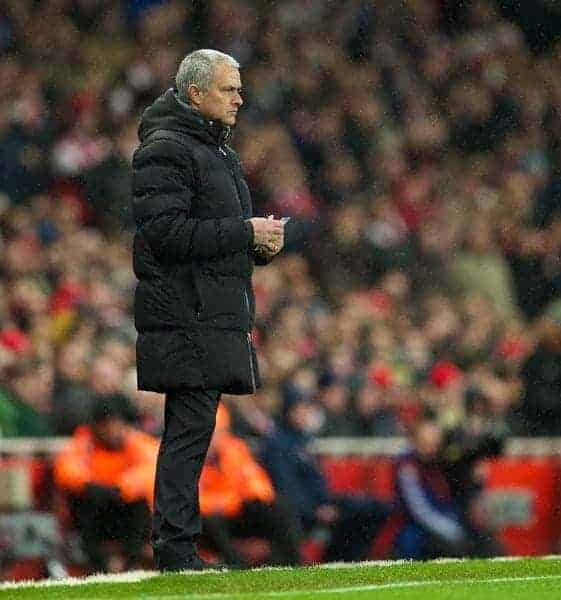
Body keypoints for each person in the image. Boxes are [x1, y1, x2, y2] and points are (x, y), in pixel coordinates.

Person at [131, 49, 285, 572]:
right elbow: (165, 234)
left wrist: (254, 247)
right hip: (187, 317)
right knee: (188, 435)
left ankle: (179, 548)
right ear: (195, 93)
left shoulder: (215, 151)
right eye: (228, 89)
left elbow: (203, 240)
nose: (240, 98)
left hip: (207, 314)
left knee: (192, 434)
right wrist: (245, 232)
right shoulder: (168, 150)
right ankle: (176, 552)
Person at [261, 393, 390, 562]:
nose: (304, 414)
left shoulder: (303, 439)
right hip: (302, 511)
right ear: (288, 412)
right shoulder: (277, 444)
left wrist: (326, 502)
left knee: (377, 508)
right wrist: (315, 511)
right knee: (353, 516)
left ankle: (347, 560)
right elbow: (285, 487)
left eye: (306, 409)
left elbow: (317, 483)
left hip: (323, 501)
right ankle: (337, 560)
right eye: (300, 409)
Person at [53, 397, 158, 573]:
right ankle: (100, 569)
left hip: (126, 510)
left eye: (116, 424)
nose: (112, 431)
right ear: (96, 426)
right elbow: (66, 469)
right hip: (95, 512)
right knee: (84, 504)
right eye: (106, 425)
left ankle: (128, 566)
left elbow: (150, 467)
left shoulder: (136, 442)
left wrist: (121, 488)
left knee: (139, 506)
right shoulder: (84, 442)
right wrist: (91, 486)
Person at [199, 405, 301, 568]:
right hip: (209, 520)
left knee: (278, 508)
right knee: (209, 521)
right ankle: (239, 567)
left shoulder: (236, 449)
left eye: (220, 432)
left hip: (235, 511)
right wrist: (230, 500)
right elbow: (192, 501)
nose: (215, 438)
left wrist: (243, 499)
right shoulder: (186, 459)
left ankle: (292, 563)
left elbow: (258, 485)